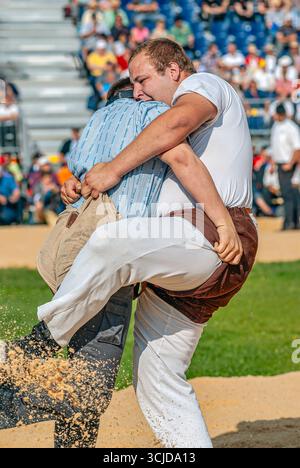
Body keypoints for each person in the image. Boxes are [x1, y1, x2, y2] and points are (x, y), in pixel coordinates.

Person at [0, 74, 242, 448]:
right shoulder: (152, 114)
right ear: (137, 95)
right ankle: (13, 389)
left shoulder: (96, 121)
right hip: (109, 255)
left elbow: (80, 178)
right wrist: (224, 222)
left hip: (70, 250)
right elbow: (178, 156)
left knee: (82, 371)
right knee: (91, 386)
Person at [270, 104, 300, 230]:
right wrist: (273, 162)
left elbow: (297, 148)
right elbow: (275, 146)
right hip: (280, 163)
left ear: (280, 114)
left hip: (288, 164)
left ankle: (290, 222)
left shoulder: (290, 127)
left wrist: (291, 163)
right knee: (288, 194)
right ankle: (291, 221)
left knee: (289, 194)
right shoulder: (276, 126)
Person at [0, 159, 20, 225]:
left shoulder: (8, 178)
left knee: (7, 218)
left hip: (7, 205)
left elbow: (16, 191)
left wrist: (14, 196)